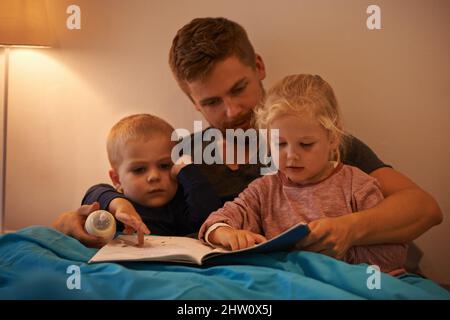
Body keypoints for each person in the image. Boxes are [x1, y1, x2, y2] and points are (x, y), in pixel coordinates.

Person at [54, 17, 442, 254]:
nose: (232, 110)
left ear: (258, 67)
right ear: (193, 103)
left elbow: (424, 208)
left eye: (239, 89)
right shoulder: (180, 157)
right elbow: (124, 197)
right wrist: (75, 222)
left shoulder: (316, 143)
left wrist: (348, 229)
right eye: (211, 102)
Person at [198, 74, 407, 274]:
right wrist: (227, 234)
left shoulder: (358, 185)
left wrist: (344, 249)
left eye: (306, 144)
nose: (291, 156)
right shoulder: (263, 190)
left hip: (345, 283)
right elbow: (217, 221)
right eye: (279, 144)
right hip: (289, 285)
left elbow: (393, 257)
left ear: (333, 138)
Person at [78, 114, 223, 245]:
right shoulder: (119, 210)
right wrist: (118, 205)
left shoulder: (182, 202)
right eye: (139, 169)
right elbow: (94, 195)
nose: (154, 176)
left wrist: (189, 172)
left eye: (164, 165)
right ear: (117, 179)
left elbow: (210, 218)